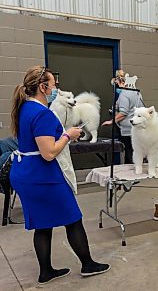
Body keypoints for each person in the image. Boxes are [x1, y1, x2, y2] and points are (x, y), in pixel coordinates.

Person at [9, 66, 110, 285]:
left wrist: (62, 136)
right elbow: (48, 153)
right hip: (42, 175)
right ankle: (88, 264)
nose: (57, 88)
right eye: (54, 85)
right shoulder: (42, 114)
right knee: (73, 218)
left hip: (26, 172)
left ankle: (46, 272)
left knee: (42, 224)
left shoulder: (25, 108)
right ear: (43, 87)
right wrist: (68, 134)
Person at [101, 69, 145, 164]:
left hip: (127, 130)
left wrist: (111, 121)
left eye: (116, 84)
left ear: (120, 82)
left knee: (129, 154)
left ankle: (130, 176)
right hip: (137, 128)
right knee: (135, 152)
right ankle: (134, 175)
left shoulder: (124, 95)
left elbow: (124, 113)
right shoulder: (137, 93)